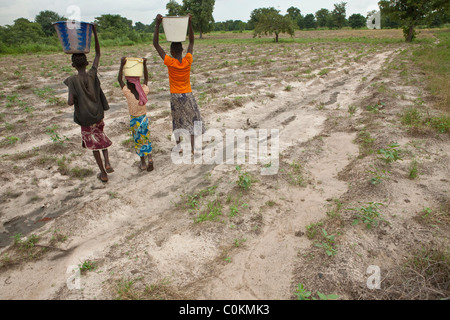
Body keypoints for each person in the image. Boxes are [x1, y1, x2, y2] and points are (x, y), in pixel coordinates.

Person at [64, 24, 114, 183]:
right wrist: (94, 32)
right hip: (97, 114)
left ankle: (103, 173)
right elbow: (98, 53)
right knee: (101, 135)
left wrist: (73, 97)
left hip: (85, 118)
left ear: (73, 65)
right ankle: (107, 162)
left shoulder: (72, 80)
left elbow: (70, 102)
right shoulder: (92, 74)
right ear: (87, 63)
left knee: (93, 145)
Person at [153, 13, 206, 155]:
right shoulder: (188, 60)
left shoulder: (170, 62)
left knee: (177, 120)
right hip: (188, 94)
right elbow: (192, 42)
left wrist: (157, 25)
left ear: (171, 51)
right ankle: (193, 149)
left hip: (175, 96)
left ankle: (179, 147)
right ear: (182, 50)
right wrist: (190, 23)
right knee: (193, 120)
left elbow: (156, 44)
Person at [118, 57, 154, 172]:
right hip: (144, 120)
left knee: (138, 141)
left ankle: (143, 163)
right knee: (146, 138)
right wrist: (144, 65)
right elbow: (146, 79)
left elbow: (119, 80)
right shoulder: (143, 92)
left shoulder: (128, 93)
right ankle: (150, 158)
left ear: (128, 83)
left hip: (135, 121)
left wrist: (121, 65)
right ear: (137, 81)